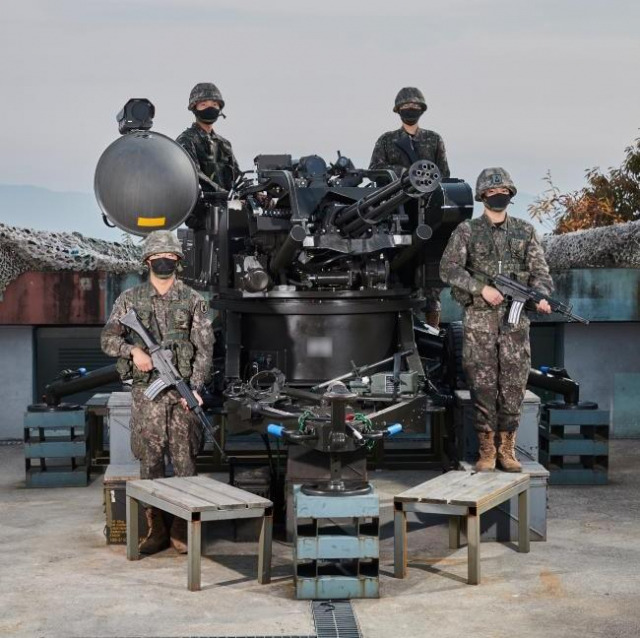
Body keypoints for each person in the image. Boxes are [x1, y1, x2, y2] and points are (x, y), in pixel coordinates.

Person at [101, 230, 214, 553]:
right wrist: (132, 351)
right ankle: (156, 529)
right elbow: (108, 339)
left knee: (185, 463)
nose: (163, 262)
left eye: (170, 258)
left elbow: (204, 349)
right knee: (150, 463)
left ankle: (181, 529)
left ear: (178, 261)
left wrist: (194, 387)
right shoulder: (129, 300)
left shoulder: (193, 300)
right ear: (147, 261)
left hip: (181, 396)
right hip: (146, 396)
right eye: (156, 258)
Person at [440, 168, 553, 472]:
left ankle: (508, 448)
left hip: (515, 324)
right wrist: (482, 288)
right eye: (491, 192)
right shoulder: (468, 230)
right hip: (479, 321)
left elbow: (541, 272)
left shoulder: (525, 231)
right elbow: (448, 269)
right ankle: (487, 449)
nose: (497, 195)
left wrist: (540, 296)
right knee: (482, 384)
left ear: (510, 193)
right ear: (482, 196)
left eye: (502, 190)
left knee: (513, 384)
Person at [370, 87, 451, 327]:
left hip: (427, 211)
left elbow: (444, 174)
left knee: (430, 278)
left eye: (415, 108)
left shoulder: (433, 139)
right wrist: (404, 174)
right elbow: (376, 171)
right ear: (398, 111)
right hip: (397, 212)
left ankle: (432, 330)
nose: (410, 111)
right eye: (406, 108)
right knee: (398, 269)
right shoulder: (387, 140)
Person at [176, 82, 240, 228]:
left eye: (214, 104)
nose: (210, 108)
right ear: (194, 107)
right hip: (202, 217)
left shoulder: (224, 144)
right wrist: (226, 195)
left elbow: (237, 177)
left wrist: (254, 194)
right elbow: (193, 175)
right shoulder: (186, 140)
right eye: (204, 104)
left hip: (230, 215)